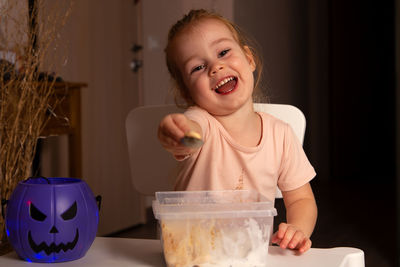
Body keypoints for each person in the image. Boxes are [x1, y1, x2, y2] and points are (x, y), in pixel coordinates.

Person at [158, 9, 317, 253]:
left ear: (249, 59)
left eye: (223, 52)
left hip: (249, 252)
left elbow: (301, 199)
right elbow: (190, 131)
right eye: (198, 67)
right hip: (192, 253)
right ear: (187, 93)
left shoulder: (281, 135)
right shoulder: (202, 122)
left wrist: (298, 229)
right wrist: (177, 133)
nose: (215, 66)